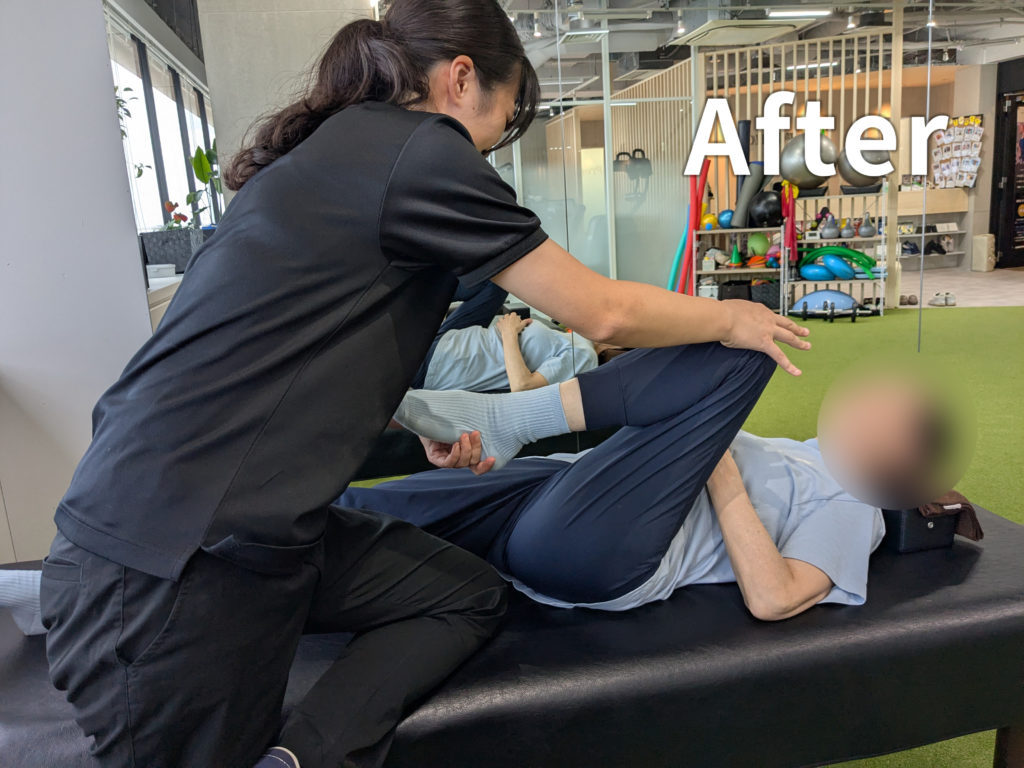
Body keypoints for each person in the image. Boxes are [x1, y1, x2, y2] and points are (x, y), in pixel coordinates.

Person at [39, 3, 810, 767]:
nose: (493, 147)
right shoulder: (420, 150)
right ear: (460, 79)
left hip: (244, 534)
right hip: (170, 570)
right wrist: (731, 316)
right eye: (503, 118)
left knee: (463, 595)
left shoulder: (337, 152)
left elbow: (297, 356)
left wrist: (412, 421)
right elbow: (603, 313)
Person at [352, 343, 961, 616]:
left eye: (889, 419)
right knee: (360, 511)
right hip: (554, 493)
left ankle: (514, 417)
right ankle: (503, 425)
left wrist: (717, 468)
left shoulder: (857, 506)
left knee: (744, 354)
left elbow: (776, 598)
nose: (868, 408)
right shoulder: (803, 452)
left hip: (606, 550)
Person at [410, 279, 599, 393]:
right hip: (451, 337)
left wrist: (509, 334)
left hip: (439, 362)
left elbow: (523, 386)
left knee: (405, 299)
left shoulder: (584, 355)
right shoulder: (575, 338)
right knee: (498, 280)